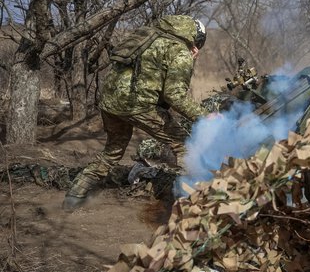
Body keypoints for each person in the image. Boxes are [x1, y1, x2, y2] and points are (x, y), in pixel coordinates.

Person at [62, 15, 207, 210]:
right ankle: (190, 203)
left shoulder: (149, 35)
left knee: (111, 152)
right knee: (184, 146)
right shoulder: (179, 51)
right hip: (138, 105)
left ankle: (73, 197)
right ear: (195, 39)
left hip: (111, 101)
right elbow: (175, 95)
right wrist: (205, 117)